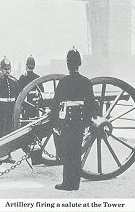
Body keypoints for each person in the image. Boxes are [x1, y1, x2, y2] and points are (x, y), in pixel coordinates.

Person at [51, 47, 95, 191]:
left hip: (67, 122)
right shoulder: (86, 82)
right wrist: (88, 123)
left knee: (67, 152)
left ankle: (67, 183)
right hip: (80, 122)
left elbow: (56, 104)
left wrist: (55, 123)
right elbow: (90, 105)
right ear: (79, 64)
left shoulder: (63, 82)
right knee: (76, 153)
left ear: (68, 64)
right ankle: (75, 183)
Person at [0, 57, 19, 165]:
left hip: (10, 109)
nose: (7, 71)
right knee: (0, 133)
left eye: (8, 69)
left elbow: (18, 98)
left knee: (9, 133)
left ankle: (7, 155)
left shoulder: (14, 82)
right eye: (5, 69)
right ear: (1, 69)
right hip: (1, 109)